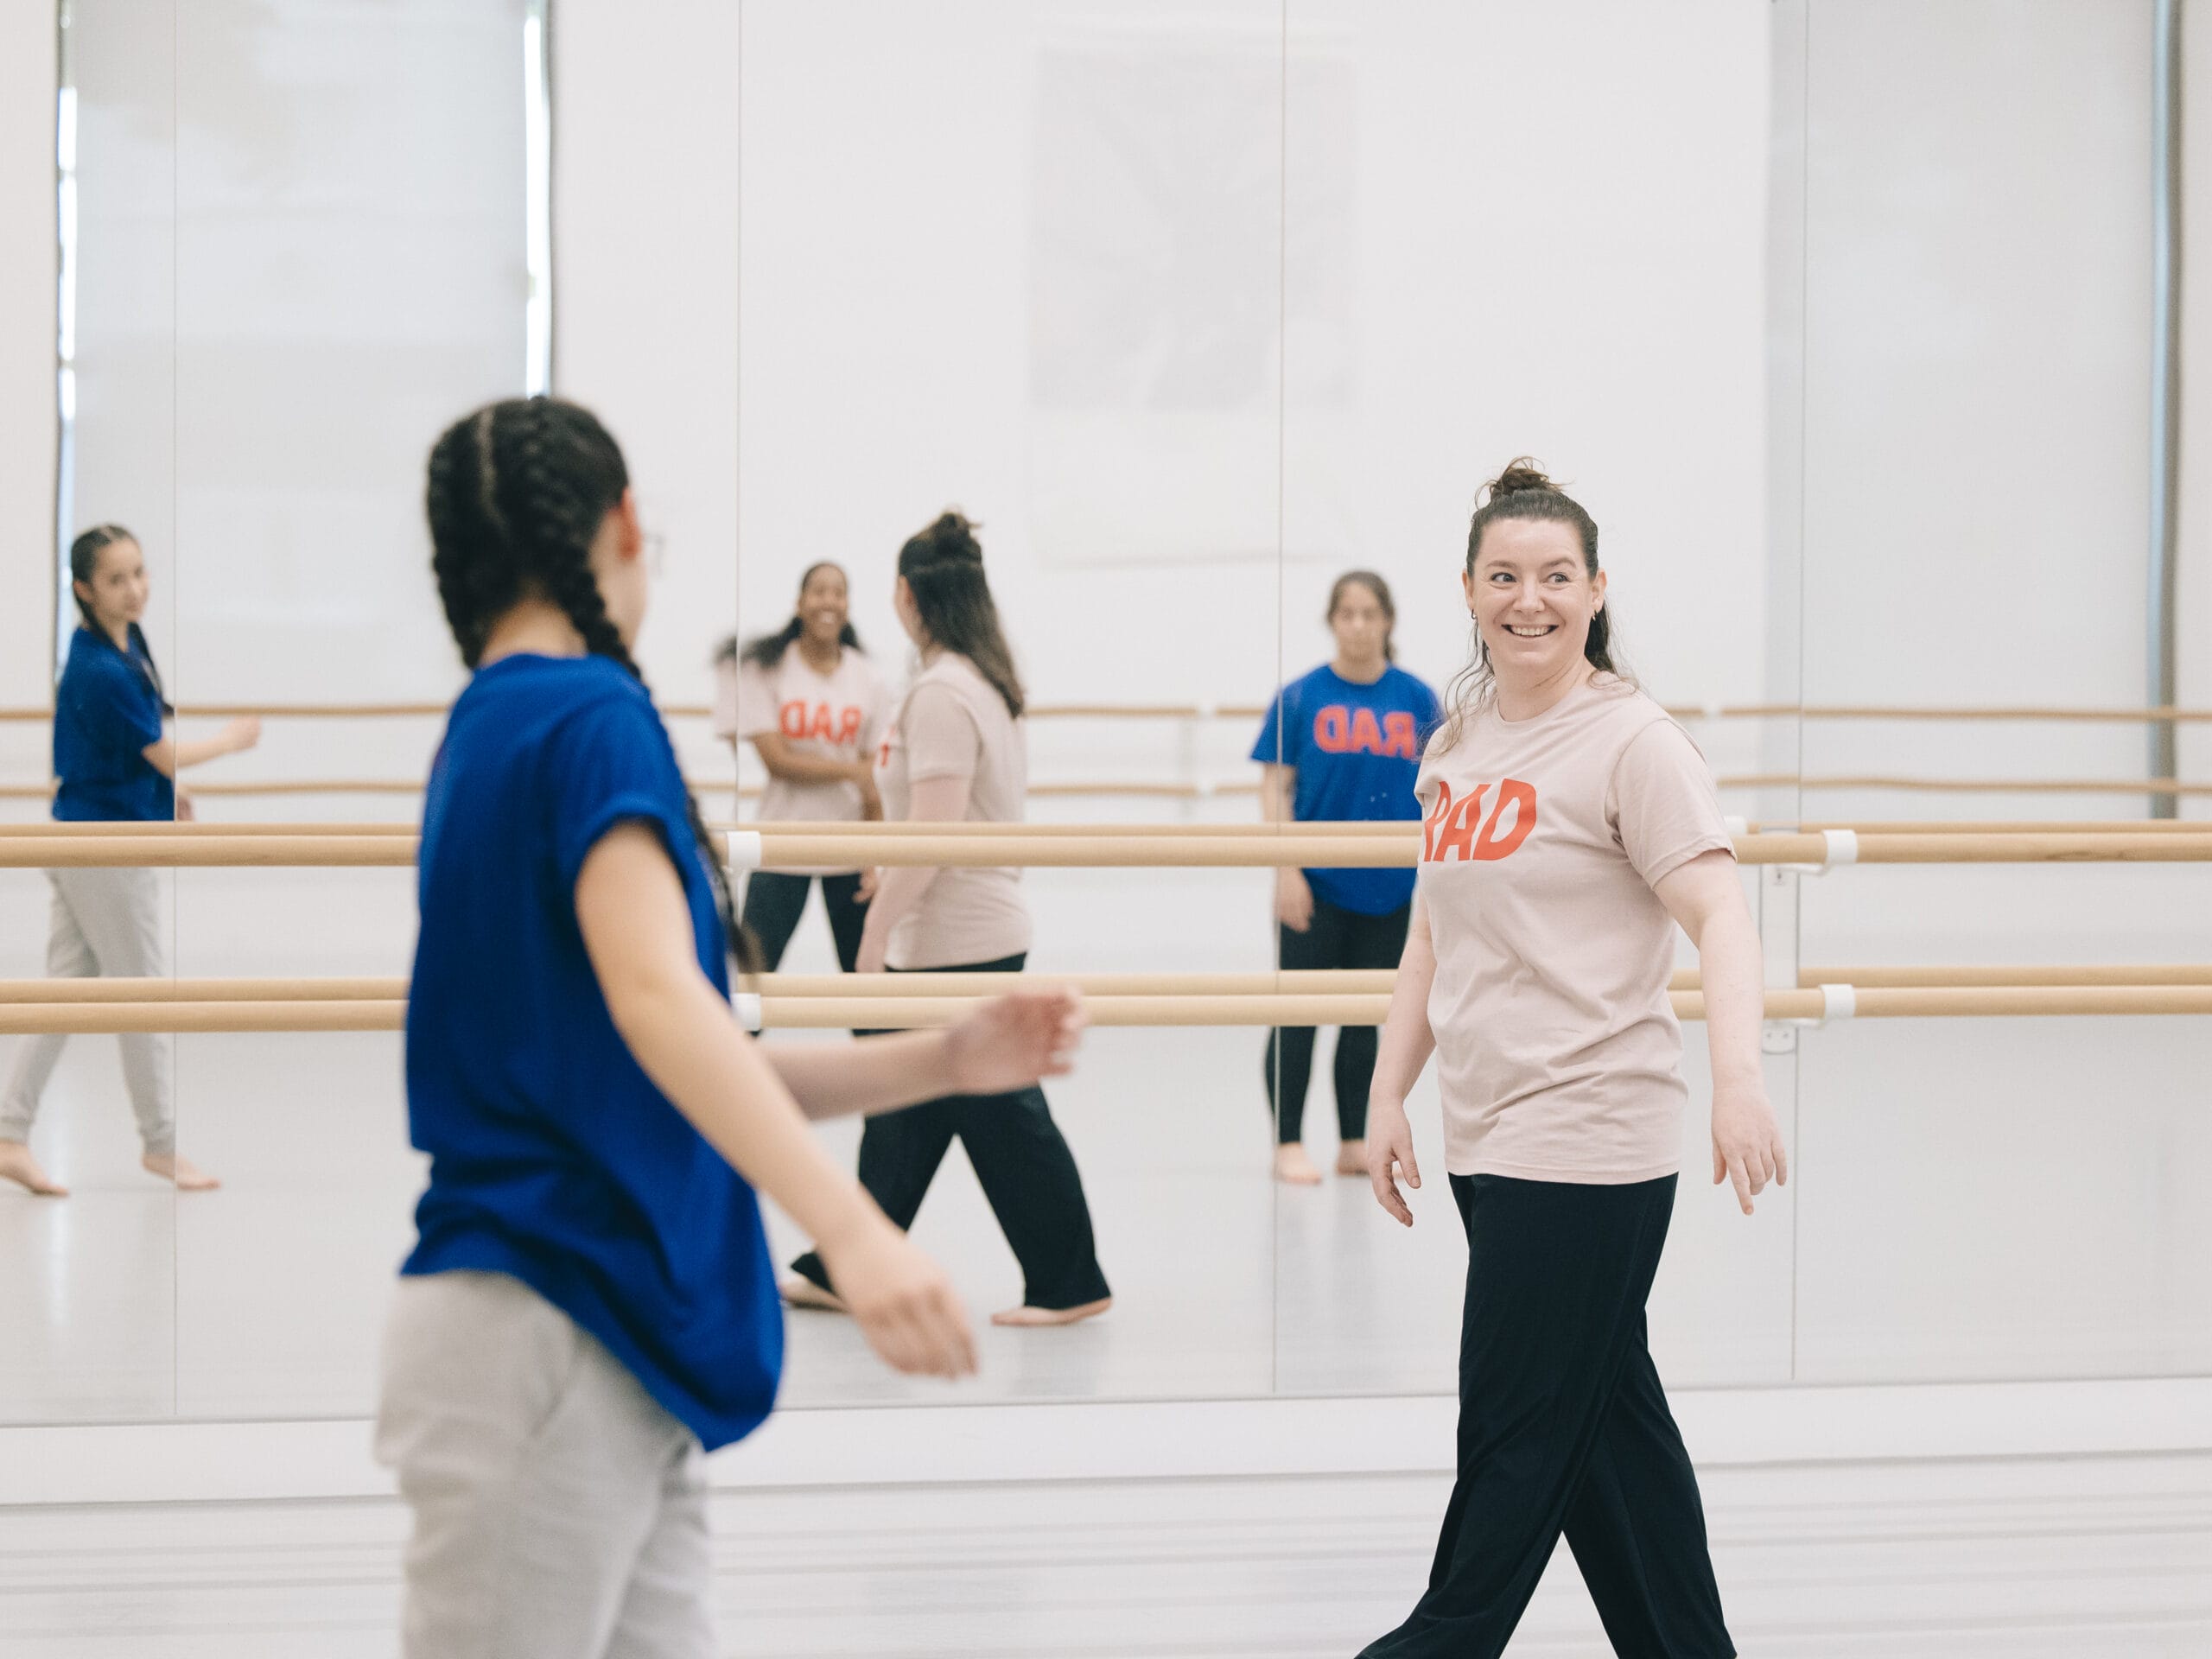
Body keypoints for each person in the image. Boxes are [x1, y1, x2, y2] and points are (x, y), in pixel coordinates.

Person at [379, 398, 1085, 1656]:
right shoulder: (587, 719)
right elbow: (662, 1008)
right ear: (624, 527)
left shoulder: (494, 725)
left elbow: (677, 1059)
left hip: (601, 1343)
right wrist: (853, 1229)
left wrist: (939, 1060)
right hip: (551, 1328)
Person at [1357, 461, 1787, 1658]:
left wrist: (1740, 1079)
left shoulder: (1632, 742)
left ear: (1596, 590)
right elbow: (1430, 938)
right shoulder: (1458, 742)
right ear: (1468, 589)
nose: (1528, 600)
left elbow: (1721, 917)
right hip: (1488, 1136)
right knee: (1607, 1436)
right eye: (1505, 577)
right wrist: (1388, 1095)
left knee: (1513, 1435)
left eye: (1555, 577)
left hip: (1593, 1135)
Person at [784, 511, 1112, 1329]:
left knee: (999, 1113)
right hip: (958, 930)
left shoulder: (941, 692)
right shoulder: (975, 680)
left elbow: (933, 843)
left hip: (955, 939)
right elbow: (926, 830)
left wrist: (868, 938)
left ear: (904, 595)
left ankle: (1070, 1281)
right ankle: (840, 1264)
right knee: (908, 1110)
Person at [0, 524, 258, 1197]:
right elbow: (161, 751)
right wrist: (228, 742)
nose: (134, 589)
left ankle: (7, 1132)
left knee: (62, 993)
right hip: (102, 848)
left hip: (92, 835)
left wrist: (166, 793)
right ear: (84, 590)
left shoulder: (126, 644)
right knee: (144, 992)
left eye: (139, 573)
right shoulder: (97, 667)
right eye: (116, 580)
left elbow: (134, 756)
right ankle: (162, 1145)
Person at [1252, 572, 1440, 1185]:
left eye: (1369, 613)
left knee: (1369, 1021)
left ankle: (1355, 1139)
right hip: (1314, 886)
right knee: (1298, 1018)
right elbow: (1275, 787)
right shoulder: (1300, 697)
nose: (1358, 625)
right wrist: (1286, 871)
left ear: (1388, 620)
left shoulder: (1417, 700)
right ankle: (1288, 1142)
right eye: (1347, 614)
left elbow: (1442, 794)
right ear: (1332, 621)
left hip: (1389, 892)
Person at [712, 561, 888, 972]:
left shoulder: (870, 680)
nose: (829, 600)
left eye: (838, 592)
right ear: (799, 603)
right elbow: (777, 762)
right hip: (781, 842)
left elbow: (873, 784)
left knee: (864, 986)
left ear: (848, 605)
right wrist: (849, 771)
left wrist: (876, 857)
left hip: (849, 848)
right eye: (819, 591)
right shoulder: (767, 668)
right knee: (752, 976)